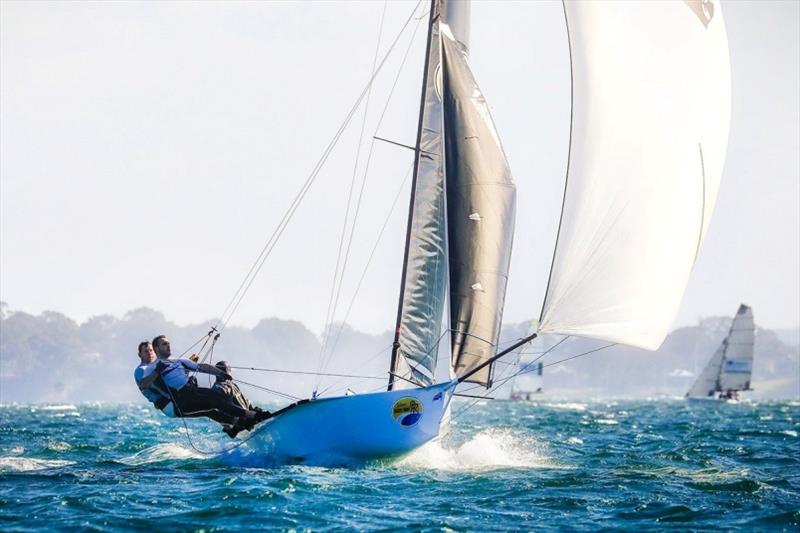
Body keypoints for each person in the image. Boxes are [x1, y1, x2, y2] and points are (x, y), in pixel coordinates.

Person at [139, 335, 270, 436]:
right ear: (156, 349)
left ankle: (240, 423)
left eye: (168, 343)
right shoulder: (152, 368)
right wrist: (157, 371)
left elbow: (202, 367)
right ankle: (253, 416)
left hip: (193, 391)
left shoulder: (179, 360)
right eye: (164, 344)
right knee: (216, 400)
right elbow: (143, 384)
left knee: (214, 405)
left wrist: (221, 373)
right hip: (182, 398)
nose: (168, 346)